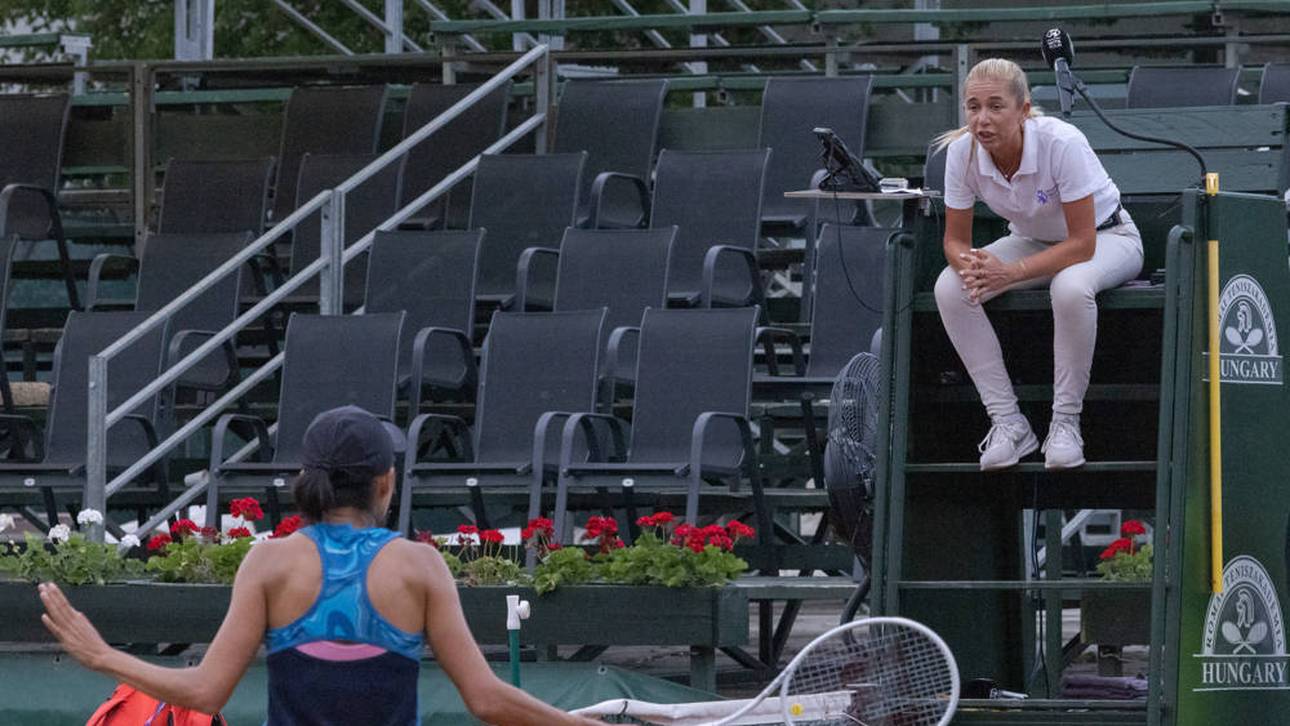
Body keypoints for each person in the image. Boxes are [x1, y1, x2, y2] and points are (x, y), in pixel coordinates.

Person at [38, 405, 603, 725]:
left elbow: (205, 692)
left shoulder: (268, 565)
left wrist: (103, 655)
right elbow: (486, 700)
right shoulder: (420, 567)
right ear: (386, 483)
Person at [932, 58, 1143, 471]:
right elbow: (955, 240)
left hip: (1109, 239)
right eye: (973, 107)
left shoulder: (1062, 142)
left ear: (1024, 110)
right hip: (1031, 242)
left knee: (1069, 287)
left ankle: (1065, 424)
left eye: (996, 106)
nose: (982, 119)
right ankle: (1009, 424)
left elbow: (1082, 245)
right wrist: (971, 265)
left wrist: (1009, 273)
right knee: (950, 286)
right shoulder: (962, 154)